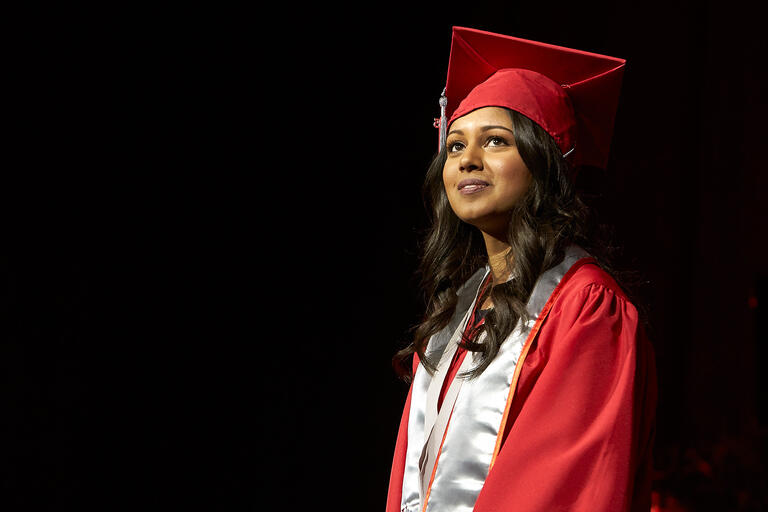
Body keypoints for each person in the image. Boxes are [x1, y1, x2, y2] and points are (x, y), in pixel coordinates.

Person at [386, 27, 658, 512]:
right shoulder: (458, 315)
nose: (467, 160)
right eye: (455, 145)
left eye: (495, 142)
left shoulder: (588, 308)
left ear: (545, 162)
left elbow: (563, 487)